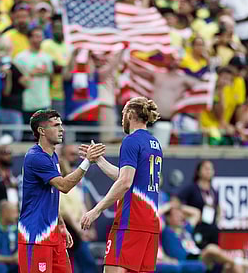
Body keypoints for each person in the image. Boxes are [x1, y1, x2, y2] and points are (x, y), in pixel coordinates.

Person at [80, 96, 163, 272]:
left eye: (123, 113)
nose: (121, 118)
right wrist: (99, 160)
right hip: (150, 224)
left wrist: (97, 210)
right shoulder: (155, 143)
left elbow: (125, 182)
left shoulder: (131, 140)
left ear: (131, 114)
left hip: (131, 222)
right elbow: (128, 177)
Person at [18, 109, 105, 273]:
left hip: (53, 232)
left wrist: (61, 224)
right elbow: (64, 186)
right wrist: (87, 162)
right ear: (41, 131)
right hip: (36, 234)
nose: (62, 129)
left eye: (61, 125)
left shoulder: (52, 156)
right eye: (56, 125)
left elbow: (51, 195)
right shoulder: (36, 157)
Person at [161, 197, 248, 273]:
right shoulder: (166, 230)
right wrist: (169, 205)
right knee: (211, 249)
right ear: (168, 218)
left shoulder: (186, 229)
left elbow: (196, 213)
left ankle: (238, 263)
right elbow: (156, 215)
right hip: (188, 259)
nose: (181, 216)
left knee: (232, 267)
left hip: (198, 255)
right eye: (176, 215)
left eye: (181, 214)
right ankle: (242, 262)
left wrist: (178, 206)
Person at [58, 144, 98, 273]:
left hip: (78, 228)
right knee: (68, 264)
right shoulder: (59, 184)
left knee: (86, 263)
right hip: (68, 229)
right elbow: (64, 211)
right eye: (71, 154)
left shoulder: (79, 183)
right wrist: (79, 230)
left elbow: (83, 204)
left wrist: (88, 226)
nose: (74, 158)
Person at [177, 160, 220, 249]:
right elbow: (176, 202)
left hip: (211, 228)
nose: (209, 171)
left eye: (211, 169)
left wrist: (218, 218)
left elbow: (218, 207)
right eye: (206, 168)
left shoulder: (213, 191)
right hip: (197, 227)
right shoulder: (192, 188)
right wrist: (188, 214)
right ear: (198, 171)